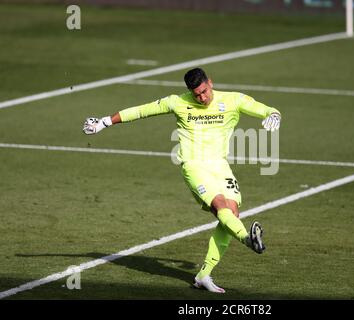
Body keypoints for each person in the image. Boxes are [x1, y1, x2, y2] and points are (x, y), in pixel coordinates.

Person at [82, 68, 281, 293]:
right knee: (220, 206)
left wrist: (274, 114)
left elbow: (265, 109)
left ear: (210, 83)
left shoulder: (233, 100)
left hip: (220, 166)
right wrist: (105, 122)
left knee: (231, 215)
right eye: (196, 94)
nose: (202, 98)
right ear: (190, 92)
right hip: (194, 166)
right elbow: (142, 111)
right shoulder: (177, 102)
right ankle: (247, 239)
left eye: (204, 92)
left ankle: (204, 275)